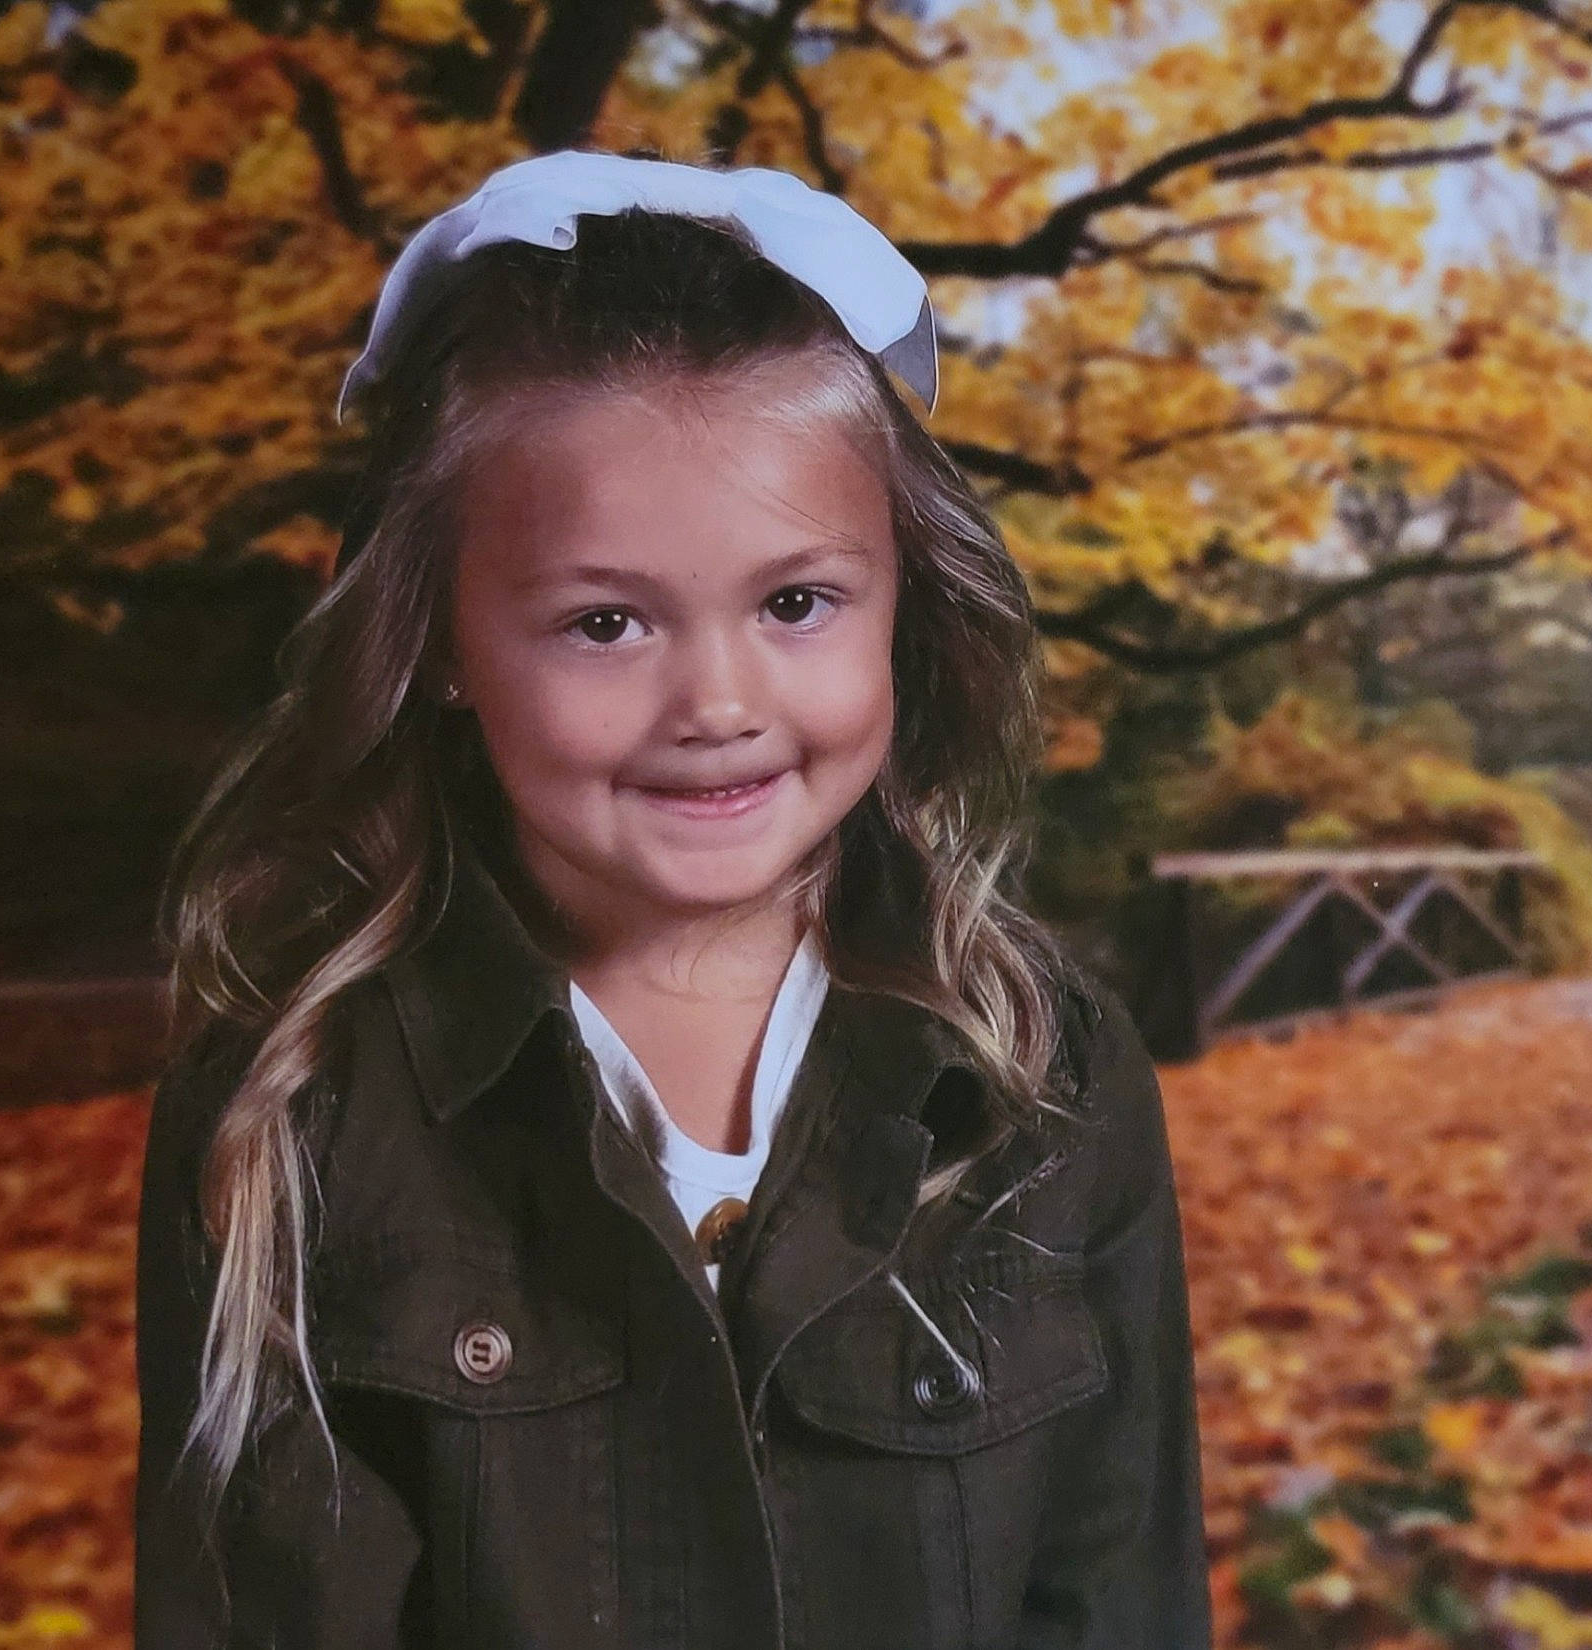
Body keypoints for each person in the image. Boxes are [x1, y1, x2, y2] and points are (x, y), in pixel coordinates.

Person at [134, 147, 1211, 1650]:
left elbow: (1121, 1597)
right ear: (440, 644)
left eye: (795, 602)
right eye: (605, 623)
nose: (717, 702)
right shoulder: (290, 1114)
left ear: (903, 605)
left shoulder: (1054, 1074)